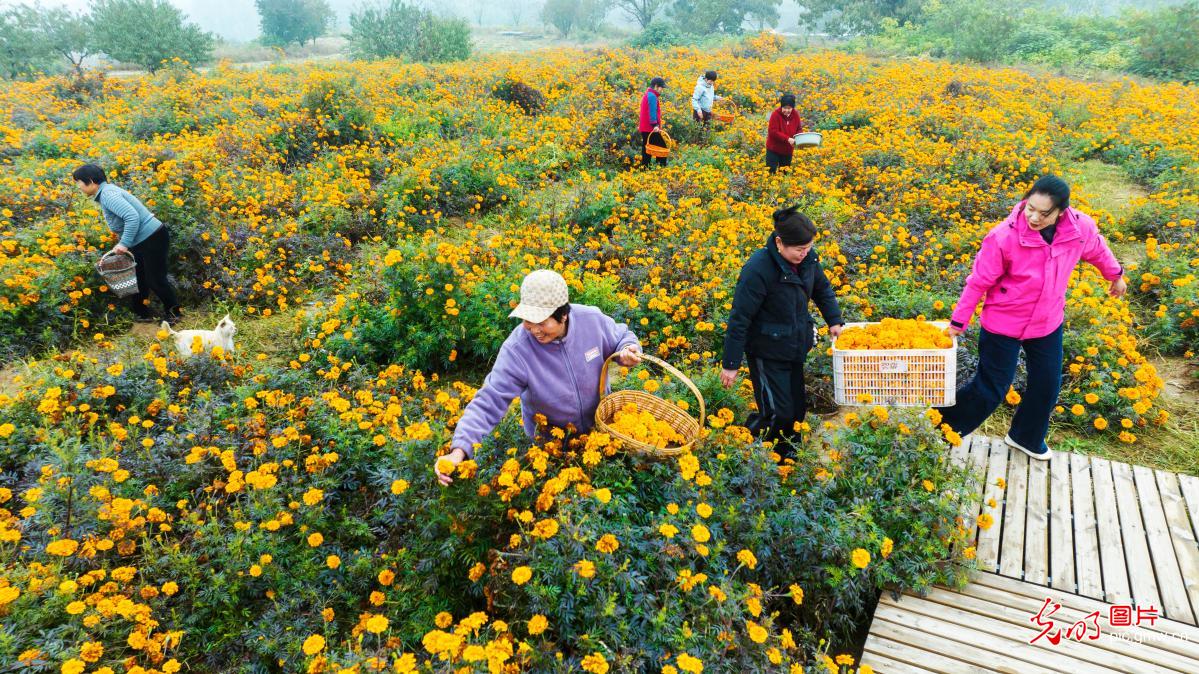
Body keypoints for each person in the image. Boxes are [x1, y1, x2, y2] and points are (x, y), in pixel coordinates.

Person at [937, 175, 1126, 460]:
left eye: (1044, 213)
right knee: (991, 388)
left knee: (1047, 385)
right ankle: (938, 429)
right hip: (1003, 323)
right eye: (1030, 209)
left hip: (1047, 322)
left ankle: (1024, 436)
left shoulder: (1079, 228)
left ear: (1061, 211)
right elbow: (978, 281)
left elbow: (1097, 249)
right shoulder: (1003, 237)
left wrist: (1115, 275)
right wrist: (958, 322)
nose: (1034, 217)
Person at [435, 270, 643, 485]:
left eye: (542, 322)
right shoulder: (518, 349)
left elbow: (621, 336)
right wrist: (459, 450)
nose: (534, 330)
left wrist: (628, 349)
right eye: (527, 320)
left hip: (603, 433)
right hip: (551, 451)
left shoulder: (591, 320)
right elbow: (489, 400)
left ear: (563, 315)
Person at [720, 207, 844, 460]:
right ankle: (751, 451)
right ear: (779, 242)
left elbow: (822, 289)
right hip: (767, 351)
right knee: (777, 412)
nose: (805, 253)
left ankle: (789, 457)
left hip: (795, 345)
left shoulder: (808, 260)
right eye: (799, 249)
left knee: (797, 411)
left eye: (808, 247)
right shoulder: (758, 269)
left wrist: (834, 320)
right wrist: (731, 364)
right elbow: (740, 318)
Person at [74, 163, 181, 324]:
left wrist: (124, 243)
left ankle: (174, 313)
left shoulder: (108, 195)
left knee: (155, 279)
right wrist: (125, 242)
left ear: (90, 181)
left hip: (152, 237)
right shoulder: (107, 192)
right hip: (144, 238)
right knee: (139, 278)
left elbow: (132, 217)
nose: (78, 187)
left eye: (78, 182)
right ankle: (142, 313)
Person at [765, 93, 803, 174]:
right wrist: (788, 139)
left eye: (789, 108)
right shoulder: (775, 114)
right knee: (770, 172)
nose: (787, 110)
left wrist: (799, 139)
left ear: (792, 107)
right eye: (784, 108)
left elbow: (799, 129)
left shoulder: (795, 114)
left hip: (787, 150)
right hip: (774, 149)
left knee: (784, 173)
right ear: (781, 106)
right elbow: (773, 132)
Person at [638, 76, 667, 168]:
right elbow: (652, 111)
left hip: (646, 127)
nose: (662, 90)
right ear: (656, 86)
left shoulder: (648, 94)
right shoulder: (652, 96)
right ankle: (661, 167)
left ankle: (645, 167)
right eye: (661, 87)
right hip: (651, 128)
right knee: (662, 147)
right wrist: (655, 125)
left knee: (647, 148)